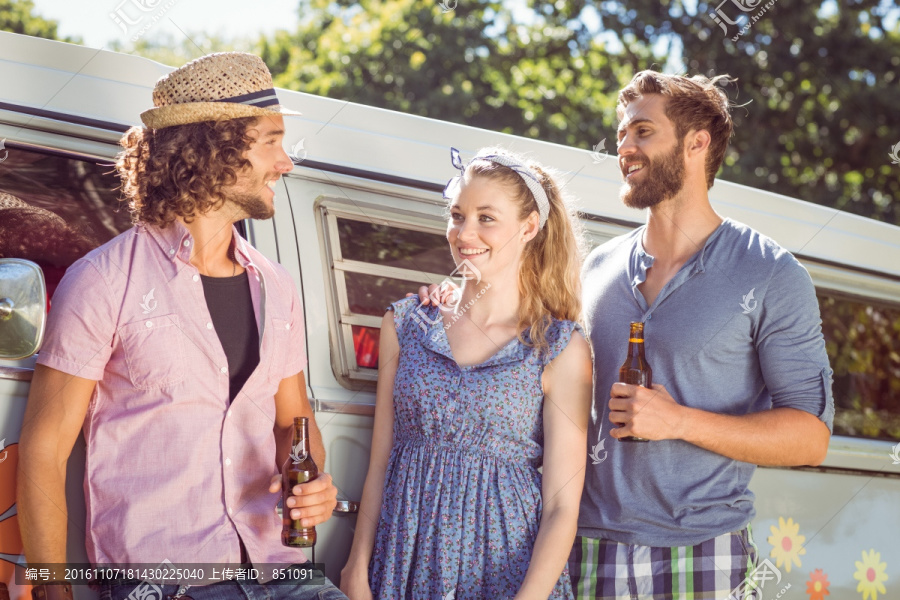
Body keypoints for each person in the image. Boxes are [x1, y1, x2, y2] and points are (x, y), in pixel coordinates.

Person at [17, 52, 345, 600]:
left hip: (282, 572)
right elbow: (44, 450)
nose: (286, 163)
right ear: (214, 148)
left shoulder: (277, 287)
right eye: (270, 141)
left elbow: (294, 423)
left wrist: (314, 486)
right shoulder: (103, 280)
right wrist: (53, 587)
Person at [568, 70, 834, 599]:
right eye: (622, 133)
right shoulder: (595, 268)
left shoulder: (770, 272)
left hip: (705, 554)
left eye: (642, 131)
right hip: (589, 552)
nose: (624, 147)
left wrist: (679, 421)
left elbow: (811, 435)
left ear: (697, 143)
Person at [339, 147, 594, 600]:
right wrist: (357, 565)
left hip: (508, 575)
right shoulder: (407, 324)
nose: (464, 232)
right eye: (457, 215)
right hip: (404, 563)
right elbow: (379, 462)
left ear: (530, 226)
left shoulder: (560, 347)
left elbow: (560, 505)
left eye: (486, 218)